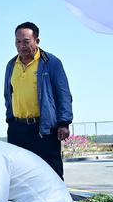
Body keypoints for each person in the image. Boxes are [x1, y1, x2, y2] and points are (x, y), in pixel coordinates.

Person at [4, 22, 72, 179]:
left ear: (37, 41)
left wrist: (64, 123)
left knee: (52, 173)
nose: (21, 46)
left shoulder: (51, 62)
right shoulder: (10, 65)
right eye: (17, 42)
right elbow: (8, 95)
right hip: (18, 129)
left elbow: (63, 94)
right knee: (20, 176)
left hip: (44, 128)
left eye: (26, 41)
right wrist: (10, 120)